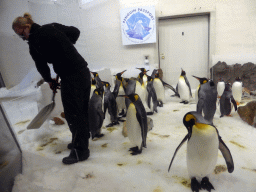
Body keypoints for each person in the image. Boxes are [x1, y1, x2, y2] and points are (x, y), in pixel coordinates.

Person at [12, 13, 91, 165]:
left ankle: (80, 151)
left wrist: (49, 80)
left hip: (71, 76)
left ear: (27, 27)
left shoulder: (34, 41)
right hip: (83, 72)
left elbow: (41, 65)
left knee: (73, 113)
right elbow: (75, 32)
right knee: (80, 109)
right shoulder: (52, 26)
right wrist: (66, 47)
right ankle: (81, 139)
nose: (23, 38)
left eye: (22, 34)